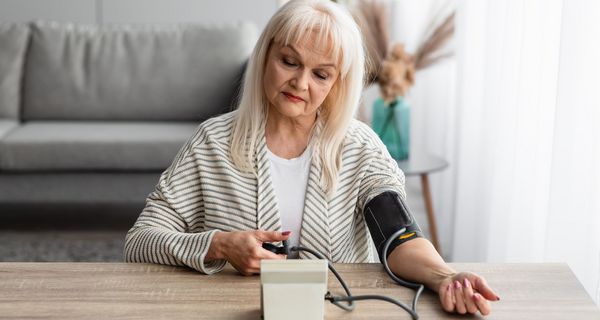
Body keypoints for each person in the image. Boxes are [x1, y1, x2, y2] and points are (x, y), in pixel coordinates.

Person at [125, 0, 498, 315]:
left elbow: (398, 236)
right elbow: (140, 240)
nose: (301, 84)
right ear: (266, 54)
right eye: (289, 62)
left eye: (321, 74)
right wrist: (218, 245)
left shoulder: (360, 147)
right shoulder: (211, 143)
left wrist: (444, 275)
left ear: (338, 83)